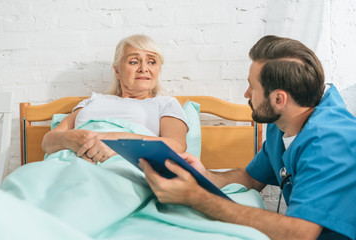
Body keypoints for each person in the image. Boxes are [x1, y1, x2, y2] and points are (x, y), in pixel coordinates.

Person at [139, 35, 356, 240]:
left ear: (279, 99)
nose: (246, 94)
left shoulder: (331, 143)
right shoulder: (280, 124)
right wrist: (203, 175)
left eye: (252, 86)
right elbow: (251, 178)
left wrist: (198, 198)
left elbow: (299, 233)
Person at [42, 34, 188, 164]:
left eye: (151, 62)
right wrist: (69, 138)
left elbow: (176, 146)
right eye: (134, 62)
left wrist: (119, 141)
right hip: (68, 162)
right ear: (117, 70)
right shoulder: (93, 101)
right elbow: (48, 141)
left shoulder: (165, 103)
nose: (144, 68)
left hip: (123, 164)